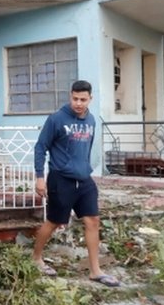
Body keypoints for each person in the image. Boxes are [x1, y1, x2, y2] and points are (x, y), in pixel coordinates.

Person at [32, 80, 119, 287]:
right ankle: (35, 258)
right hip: (61, 178)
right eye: (75, 98)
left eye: (83, 99)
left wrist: (85, 168)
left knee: (93, 221)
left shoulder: (91, 120)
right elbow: (40, 147)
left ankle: (95, 271)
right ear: (70, 96)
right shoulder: (56, 119)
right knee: (54, 221)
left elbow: (86, 149)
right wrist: (40, 177)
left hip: (84, 179)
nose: (78, 103)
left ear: (90, 99)